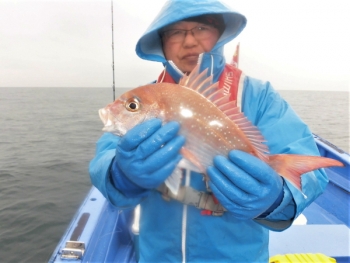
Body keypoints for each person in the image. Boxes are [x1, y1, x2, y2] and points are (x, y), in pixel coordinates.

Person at [89, 0, 328, 262]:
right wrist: (120, 174)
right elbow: (105, 155)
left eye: (201, 27)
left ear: (220, 33)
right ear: (162, 42)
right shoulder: (146, 98)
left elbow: (310, 171)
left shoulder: (259, 96)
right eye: (176, 32)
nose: (189, 41)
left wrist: (276, 198)